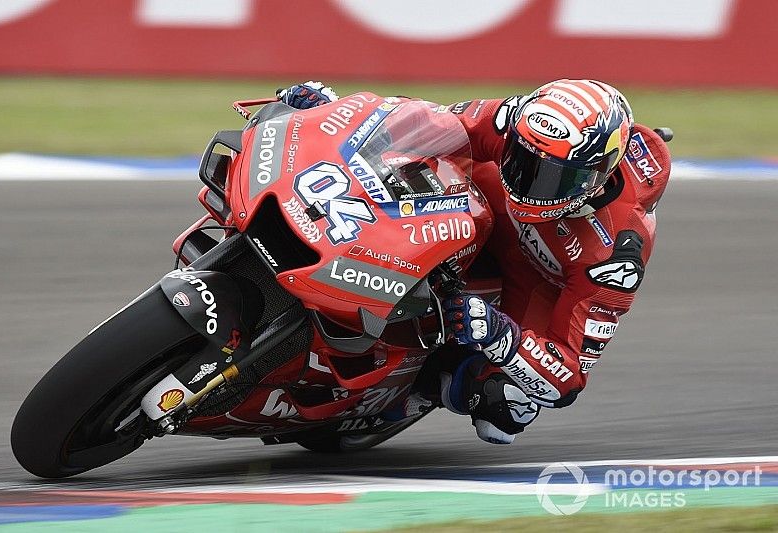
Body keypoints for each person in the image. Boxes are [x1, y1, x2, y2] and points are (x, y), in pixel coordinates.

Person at [278, 80, 671, 444]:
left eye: (553, 178)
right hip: (466, 206)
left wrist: (501, 337)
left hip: (530, 283)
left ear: (598, 175)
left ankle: (406, 395)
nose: (529, 184)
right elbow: (418, 124)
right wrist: (336, 113)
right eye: (522, 160)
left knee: (506, 408)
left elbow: (567, 378)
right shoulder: (512, 120)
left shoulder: (615, 253)